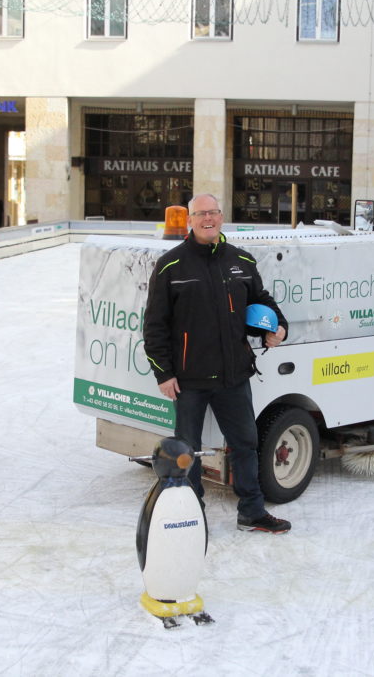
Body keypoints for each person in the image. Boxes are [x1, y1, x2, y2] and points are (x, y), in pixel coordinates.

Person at [143, 193, 292, 534]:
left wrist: (279, 326)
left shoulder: (241, 260)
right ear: (191, 220)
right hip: (189, 378)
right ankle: (191, 516)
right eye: (200, 214)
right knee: (186, 451)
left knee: (245, 445)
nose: (207, 219)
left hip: (234, 375)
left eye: (213, 212)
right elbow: (154, 326)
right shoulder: (170, 265)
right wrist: (164, 373)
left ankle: (252, 512)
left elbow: (262, 301)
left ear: (222, 217)